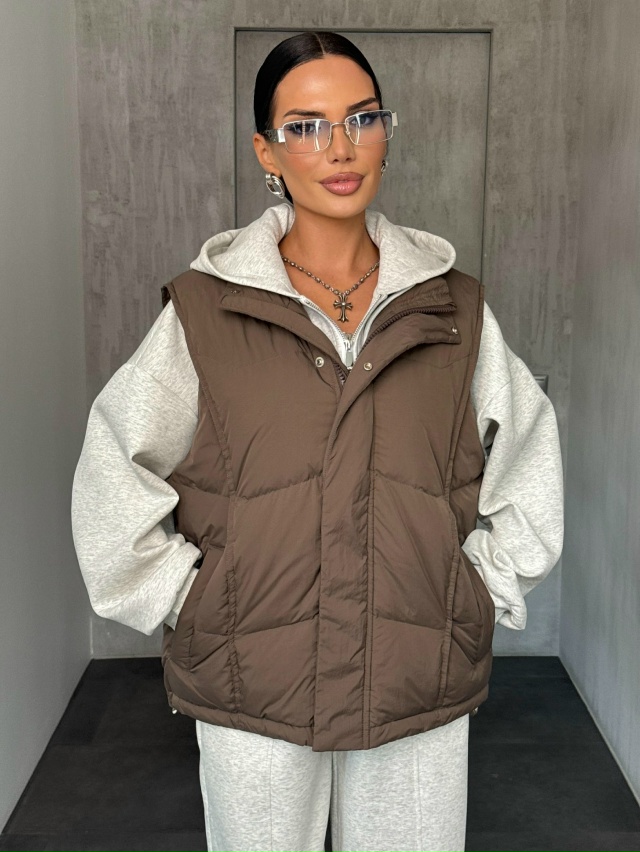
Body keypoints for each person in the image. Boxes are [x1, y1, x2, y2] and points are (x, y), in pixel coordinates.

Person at [71, 30, 564, 852]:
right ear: (266, 150)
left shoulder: (452, 310)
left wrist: (473, 589)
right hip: (252, 678)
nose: (340, 147)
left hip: (415, 675)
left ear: (385, 134)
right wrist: (189, 600)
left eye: (361, 118)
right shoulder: (207, 311)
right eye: (305, 126)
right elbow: (113, 469)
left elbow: (530, 455)